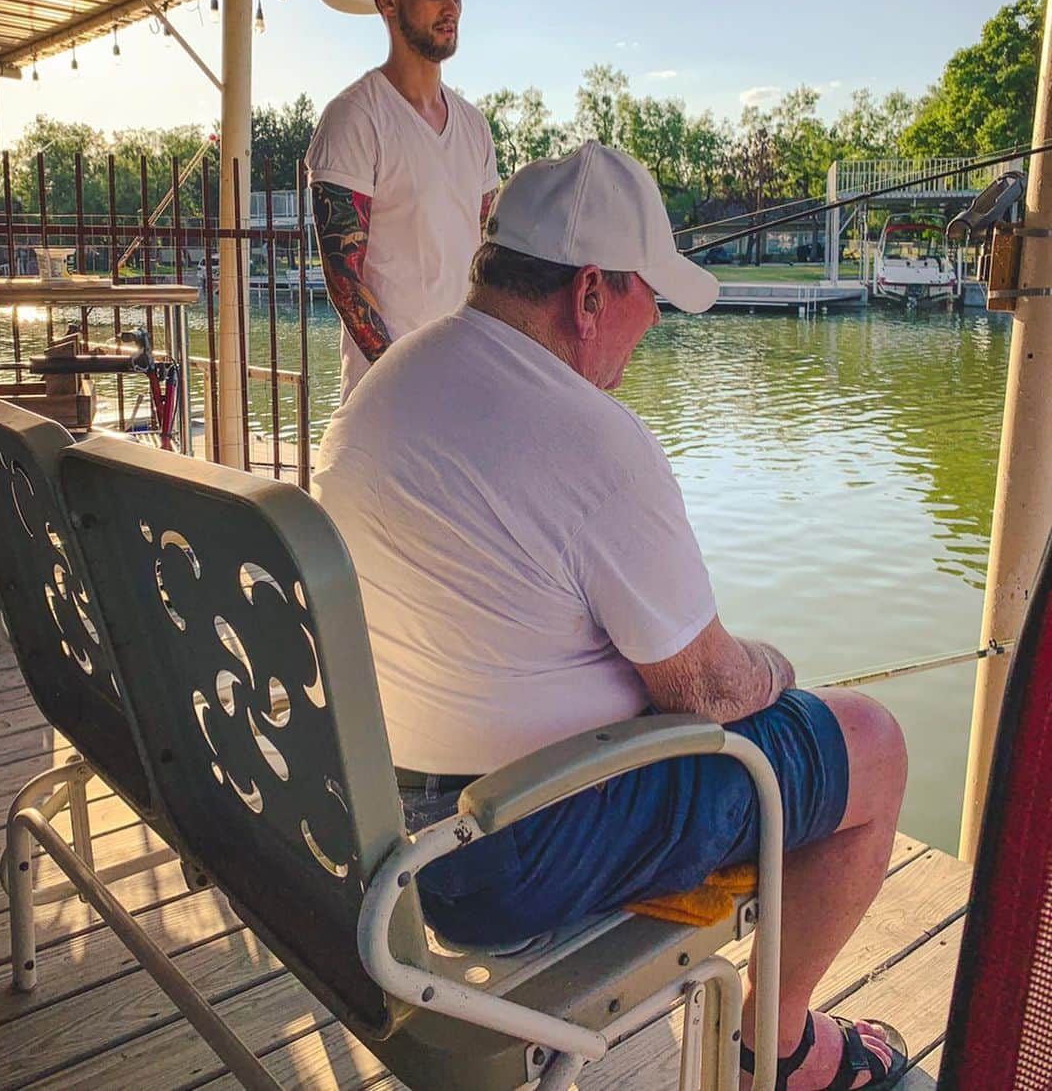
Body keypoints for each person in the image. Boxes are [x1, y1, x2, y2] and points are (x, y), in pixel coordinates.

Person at [313, 142, 910, 1091]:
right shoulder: (591, 440)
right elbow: (709, 688)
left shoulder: (386, 388)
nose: (655, 325)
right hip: (505, 854)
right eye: (649, 301)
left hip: (384, 824)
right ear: (590, 293)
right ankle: (783, 1048)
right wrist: (774, 664)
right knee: (871, 744)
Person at [305, 0, 511, 403]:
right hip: (386, 402)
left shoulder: (475, 127)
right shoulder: (355, 118)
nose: (452, 9)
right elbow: (345, 283)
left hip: (469, 388)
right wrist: (414, 385)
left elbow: (490, 259)